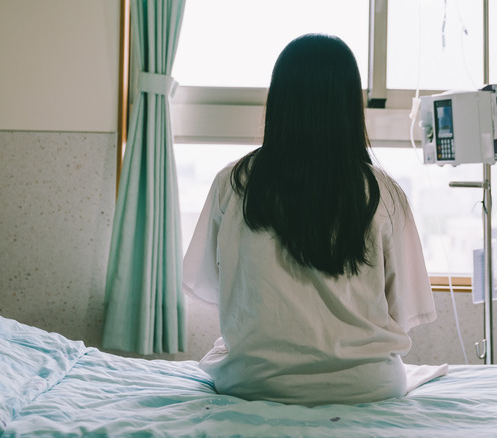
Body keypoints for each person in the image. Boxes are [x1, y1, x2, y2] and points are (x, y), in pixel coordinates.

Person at [182, 33, 439, 406]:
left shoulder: (235, 183)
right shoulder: (383, 193)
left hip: (253, 381)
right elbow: (402, 308)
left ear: (280, 100)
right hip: (367, 385)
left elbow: (215, 285)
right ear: (351, 106)